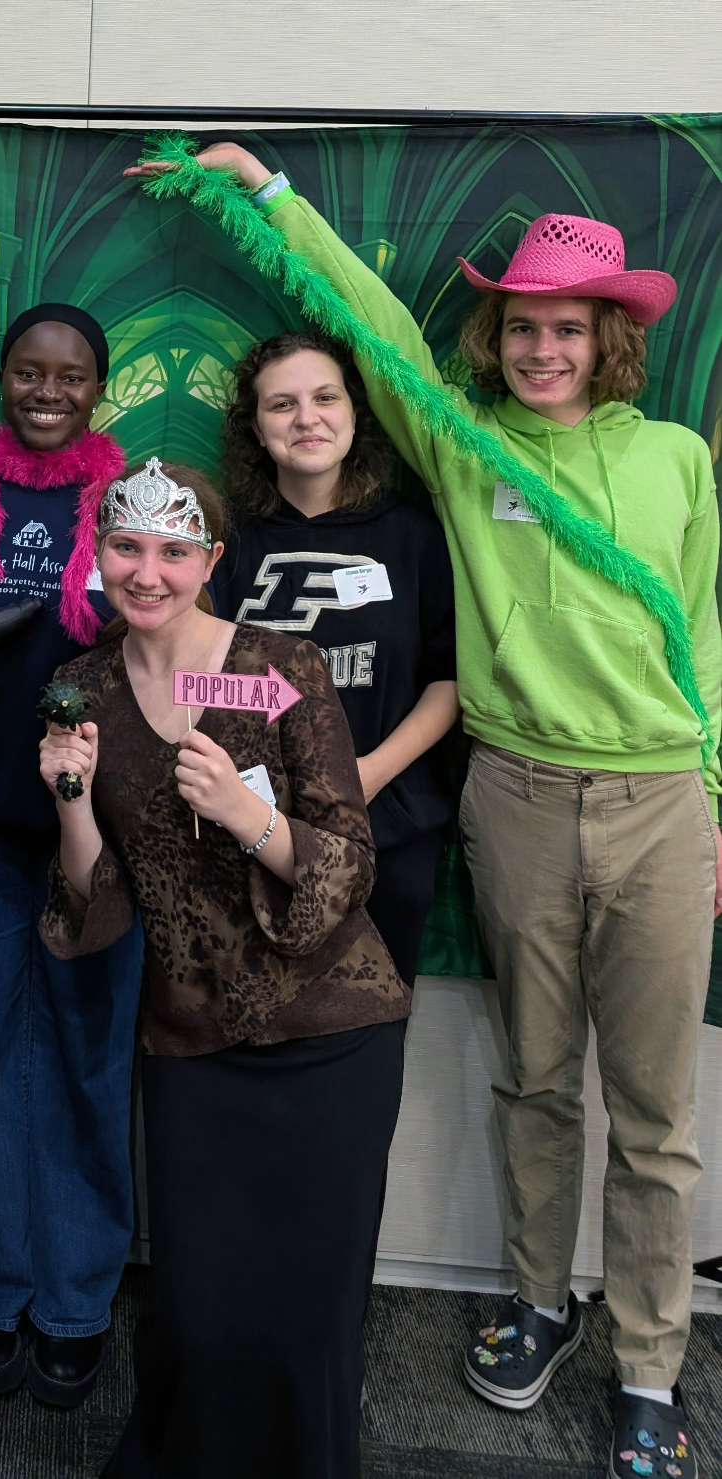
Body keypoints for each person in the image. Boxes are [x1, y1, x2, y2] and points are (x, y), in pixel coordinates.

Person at [132, 142, 721, 1479]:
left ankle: (646, 1360)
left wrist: (715, 800)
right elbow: (380, 334)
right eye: (521, 326)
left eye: (567, 328)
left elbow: (705, 634)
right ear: (496, 335)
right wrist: (273, 197)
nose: (542, 350)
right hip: (511, 789)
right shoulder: (457, 449)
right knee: (530, 1072)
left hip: (657, 793)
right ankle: (532, 1300)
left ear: (607, 336)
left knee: (656, 1106)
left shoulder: (677, 457)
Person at [38, 457, 410, 1477]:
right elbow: (97, 908)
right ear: (99, 552)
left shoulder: (279, 665)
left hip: (332, 1034)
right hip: (193, 1040)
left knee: (308, 1318)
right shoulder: (90, 690)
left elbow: (348, 868)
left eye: (172, 550)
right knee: (199, 1311)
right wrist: (72, 800)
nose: (146, 571)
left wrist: (251, 819)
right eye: (125, 546)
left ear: (209, 560)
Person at [0, 304, 144, 1406]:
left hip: (104, 833)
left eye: (72, 374)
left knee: (88, 1058)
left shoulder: (137, 510)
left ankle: (74, 1298)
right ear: (1, 378)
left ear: (100, 387)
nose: (49, 389)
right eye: (28, 371)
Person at [212, 330, 458, 985]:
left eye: (326, 397)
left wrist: (366, 773)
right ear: (257, 429)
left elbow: (449, 679)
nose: (307, 418)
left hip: (391, 818)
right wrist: (284, 782)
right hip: (263, 822)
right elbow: (202, 679)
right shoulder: (228, 545)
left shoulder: (414, 535)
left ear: (355, 413)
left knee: (375, 1017)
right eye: (282, 404)